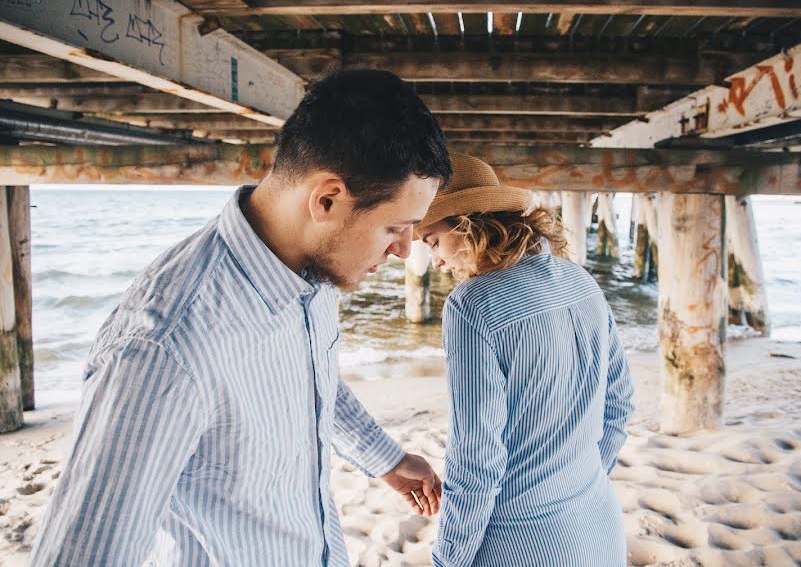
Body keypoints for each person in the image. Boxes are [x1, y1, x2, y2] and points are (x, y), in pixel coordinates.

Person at [31, 69, 451, 566]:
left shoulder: (310, 273)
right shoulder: (166, 345)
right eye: (394, 228)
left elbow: (313, 381)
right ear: (327, 199)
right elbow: (81, 554)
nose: (405, 250)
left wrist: (387, 460)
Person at [415, 153, 635, 567]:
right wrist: (577, 483)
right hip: (598, 521)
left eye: (433, 241)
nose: (436, 261)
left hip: (519, 538)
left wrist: (449, 558)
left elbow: (476, 455)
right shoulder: (580, 280)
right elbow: (620, 403)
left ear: (466, 224)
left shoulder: (472, 304)